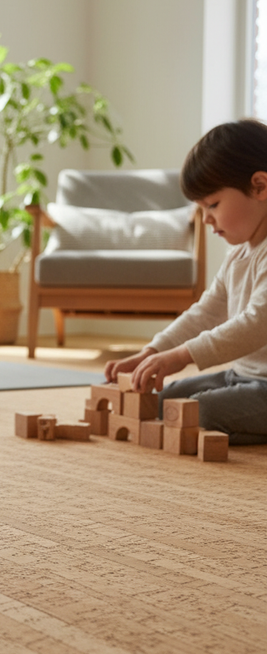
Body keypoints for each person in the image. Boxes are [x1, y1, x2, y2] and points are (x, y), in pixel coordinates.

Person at [104, 118, 267, 444]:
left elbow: (257, 323)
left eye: (213, 204)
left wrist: (182, 356)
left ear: (260, 187)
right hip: (243, 376)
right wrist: (153, 351)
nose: (206, 219)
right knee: (165, 401)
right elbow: (205, 312)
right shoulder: (238, 254)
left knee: (199, 412)